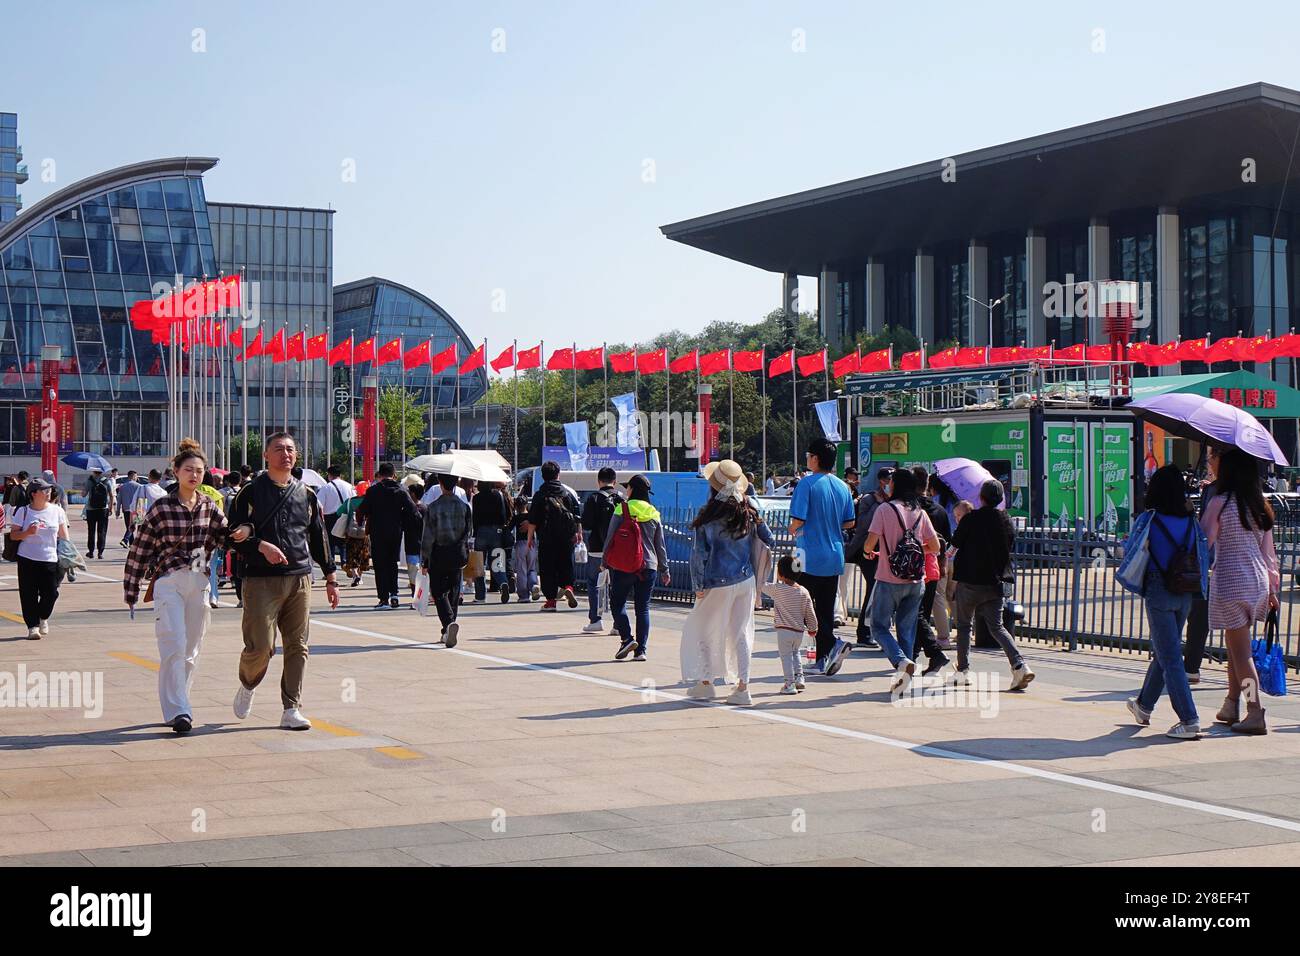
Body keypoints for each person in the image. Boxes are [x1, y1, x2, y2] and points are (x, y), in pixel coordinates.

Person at [123, 442, 240, 734]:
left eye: (199, 471)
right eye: (188, 469)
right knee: (173, 644)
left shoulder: (208, 506)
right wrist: (132, 589)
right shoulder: (161, 507)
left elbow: (225, 536)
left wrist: (242, 534)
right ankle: (179, 711)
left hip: (199, 582)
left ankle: (180, 700)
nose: (194, 475)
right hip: (168, 582)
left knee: (191, 650)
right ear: (175, 471)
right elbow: (140, 548)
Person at [226, 432, 340, 731]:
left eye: (290, 449)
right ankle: (248, 684)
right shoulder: (249, 492)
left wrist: (330, 576)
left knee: (298, 645)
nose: (285, 454)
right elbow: (233, 535)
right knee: (260, 647)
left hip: (299, 578)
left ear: (296, 456)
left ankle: (291, 708)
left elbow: (319, 537)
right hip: (261, 580)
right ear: (266, 456)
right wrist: (259, 545)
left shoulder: (307, 494)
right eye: (278, 449)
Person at [1122, 465, 1208, 740]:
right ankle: (1144, 706)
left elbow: (1130, 552)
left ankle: (1189, 719)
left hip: (1159, 590)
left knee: (1170, 656)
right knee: (1164, 650)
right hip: (1185, 591)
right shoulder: (1191, 522)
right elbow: (1205, 554)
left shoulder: (1149, 520)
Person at [681, 461, 775, 705]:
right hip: (746, 579)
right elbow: (770, 540)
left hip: (716, 581)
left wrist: (697, 586)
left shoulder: (708, 516)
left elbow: (698, 556)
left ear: (714, 487)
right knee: (741, 633)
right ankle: (743, 688)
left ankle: (706, 684)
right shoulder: (749, 509)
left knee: (704, 629)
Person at [1202, 447, 1281, 735]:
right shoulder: (1259, 504)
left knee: (1242, 652)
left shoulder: (1219, 503)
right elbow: (1268, 553)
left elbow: (1204, 541)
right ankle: (1230, 703)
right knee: (1236, 646)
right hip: (1258, 581)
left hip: (1230, 581)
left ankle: (1254, 710)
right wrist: (1273, 589)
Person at [948, 479, 1034, 692]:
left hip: (969, 581)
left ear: (981, 498)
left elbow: (954, 546)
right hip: (996, 582)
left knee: (964, 626)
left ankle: (963, 671)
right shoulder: (1007, 521)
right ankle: (1020, 665)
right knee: (997, 627)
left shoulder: (971, 519)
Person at [863, 468, 942, 695]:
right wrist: (916, 548)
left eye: (891, 483)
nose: (888, 485)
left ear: (896, 485)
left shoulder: (884, 510)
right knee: (906, 630)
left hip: (889, 579)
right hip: (916, 579)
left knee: (878, 626)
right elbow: (935, 547)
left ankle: (900, 662)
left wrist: (871, 552)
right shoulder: (920, 512)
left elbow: (870, 543)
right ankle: (904, 678)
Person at [789, 438, 856, 676]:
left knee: (803, 608)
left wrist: (792, 528)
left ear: (815, 458)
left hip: (807, 554)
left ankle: (833, 642)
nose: (807, 459)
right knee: (825, 609)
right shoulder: (842, 486)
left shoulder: (806, 484)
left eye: (808, 455)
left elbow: (798, 519)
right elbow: (850, 522)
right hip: (835, 554)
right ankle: (823, 658)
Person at [603, 474, 669, 662]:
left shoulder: (621, 508)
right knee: (643, 609)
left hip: (625, 565)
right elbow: (660, 545)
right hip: (649, 566)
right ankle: (641, 651)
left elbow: (610, 537)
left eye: (628, 487)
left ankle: (626, 638)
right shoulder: (654, 513)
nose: (626, 490)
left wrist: (604, 560)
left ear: (632, 490)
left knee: (617, 603)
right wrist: (665, 569)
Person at [9, 477, 70, 639]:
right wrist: (27, 532)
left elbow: (64, 536)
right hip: (27, 558)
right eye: (45, 490)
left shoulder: (57, 511)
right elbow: (14, 535)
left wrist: (70, 555)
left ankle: (43, 617)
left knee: (51, 593)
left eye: (49, 490)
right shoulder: (23, 511)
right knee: (28, 594)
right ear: (34, 493)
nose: (49, 492)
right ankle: (32, 627)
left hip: (50, 558)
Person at [420, 472, 474, 647]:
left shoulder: (433, 507)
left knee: (438, 592)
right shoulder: (464, 507)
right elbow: (469, 532)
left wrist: (425, 560)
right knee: (454, 591)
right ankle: (447, 630)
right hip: (458, 552)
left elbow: (427, 536)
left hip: (438, 552)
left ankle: (449, 623)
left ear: (440, 484)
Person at [357, 462, 421, 610]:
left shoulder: (373, 491)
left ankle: (383, 598)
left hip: (377, 532)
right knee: (392, 563)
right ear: (394, 475)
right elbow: (414, 512)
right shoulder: (401, 490)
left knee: (380, 565)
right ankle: (394, 594)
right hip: (395, 532)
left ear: (380, 474)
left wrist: (362, 522)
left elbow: (362, 510)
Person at [845, 467, 892, 647]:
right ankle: (864, 632)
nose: (889, 484)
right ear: (881, 481)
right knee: (873, 587)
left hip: (887, 551)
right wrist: (880, 505)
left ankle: (879, 630)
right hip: (867, 550)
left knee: (883, 590)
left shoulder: (896, 501)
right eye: (887, 480)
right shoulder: (869, 499)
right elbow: (864, 524)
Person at [526, 460, 581, 611]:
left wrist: (530, 539)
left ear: (543, 476)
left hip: (547, 537)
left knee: (547, 568)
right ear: (558, 474)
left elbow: (533, 520)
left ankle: (551, 602)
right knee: (566, 564)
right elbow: (576, 516)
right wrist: (578, 533)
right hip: (566, 537)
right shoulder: (567, 493)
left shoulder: (540, 495)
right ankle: (568, 586)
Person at [762, 554, 818, 695]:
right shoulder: (804, 592)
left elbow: (762, 586)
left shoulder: (778, 589)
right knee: (795, 653)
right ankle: (800, 678)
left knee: (786, 656)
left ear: (780, 574)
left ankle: (789, 683)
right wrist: (813, 628)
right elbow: (810, 612)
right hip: (799, 631)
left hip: (784, 630)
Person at [580, 467, 623, 632]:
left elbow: (587, 524)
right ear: (615, 481)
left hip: (597, 548)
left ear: (598, 481)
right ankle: (619, 624)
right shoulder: (621, 499)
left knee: (594, 584)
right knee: (618, 585)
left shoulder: (593, 499)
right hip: (617, 550)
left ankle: (596, 620)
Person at [472, 480, 514, 604]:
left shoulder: (477, 498)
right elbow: (503, 515)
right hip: (497, 531)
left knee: (480, 564)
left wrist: (475, 533)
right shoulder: (498, 495)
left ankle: (480, 596)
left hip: (481, 531)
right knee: (497, 562)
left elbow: (475, 518)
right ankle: (503, 582)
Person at [315, 464, 354, 571]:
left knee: (330, 544)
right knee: (344, 543)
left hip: (330, 519)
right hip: (346, 516)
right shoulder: (349, 486)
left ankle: (331, 568)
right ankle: (345, 562)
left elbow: (319, 505)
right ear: (340, 474)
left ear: (329, 475)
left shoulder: (326, 488)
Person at [82, 466, 113, 559]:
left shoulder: (89, 481)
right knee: (102, 531)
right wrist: (110, 508)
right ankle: (100, 552)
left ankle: (91, 552)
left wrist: (83, 488)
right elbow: (111, 495)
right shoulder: (107, 481)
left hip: (91, 509)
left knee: (91, 531)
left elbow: (83, 495)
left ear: (93, 472)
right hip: (104, 509)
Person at [403, 481, 426, 596]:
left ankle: (415, 595)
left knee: (413, 572)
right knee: (423, 571)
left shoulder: (407, 510)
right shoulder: (426, 508)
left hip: (411, 544)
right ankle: (421, 594)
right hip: (425, 544)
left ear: (412, 494)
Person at [118, 470, 142, 546]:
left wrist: (117, 510)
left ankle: (131, 544)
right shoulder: (139, 486)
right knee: (132, 526)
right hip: (136, 509)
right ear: (133, 476)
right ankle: (125, 540)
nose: (136, 477)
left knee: (129, 526)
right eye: (136, 476)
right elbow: (141, 498)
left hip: (126, 509)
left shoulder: (122, 486)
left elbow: (119, 499)